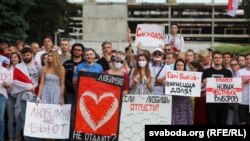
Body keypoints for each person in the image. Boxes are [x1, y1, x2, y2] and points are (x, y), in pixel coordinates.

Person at [202, 51, 233, 125]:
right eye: (216, 58)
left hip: (223, 103)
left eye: (219, 58)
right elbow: (202, 85)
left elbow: (231, 87)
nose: (218, 59)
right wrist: (204, 82)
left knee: (222, 122)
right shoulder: (207, 71)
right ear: (212, 59)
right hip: (210, 103)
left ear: (222, 59)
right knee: (211, 122)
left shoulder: (228, 72)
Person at [171, 59, 193, 125]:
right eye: (178, 65)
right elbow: (166, 91)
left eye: (181, 65)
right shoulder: (170, 75)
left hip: (185, 102)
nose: (180, 67)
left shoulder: (189, 76)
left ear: (184, 67)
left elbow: (193, 88)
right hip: (174, 101)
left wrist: (198, 85)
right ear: (175, 66)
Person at [7, 52, 22, 141]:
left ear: (19, 58)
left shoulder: (23, 68)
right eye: (12, 57)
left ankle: (17, 136)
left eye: (15, 57)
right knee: (10, 117)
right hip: (9, 94)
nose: (13, 59)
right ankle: (10, 137)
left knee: (18, 117)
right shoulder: (8, 68)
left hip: (19, 95)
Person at [236, 53, 250, 125]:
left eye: (249, 59)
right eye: (247, 59)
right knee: (243, 122)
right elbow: (236, 86)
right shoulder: (240, 72)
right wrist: (243, 82)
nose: (248, 60)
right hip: (242, 101)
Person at [0, 65, 10, 141]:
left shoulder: (4, 70)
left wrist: (6, 85)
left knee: (1, 119)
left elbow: (8, 86)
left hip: (1, 96)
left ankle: (1, 138)